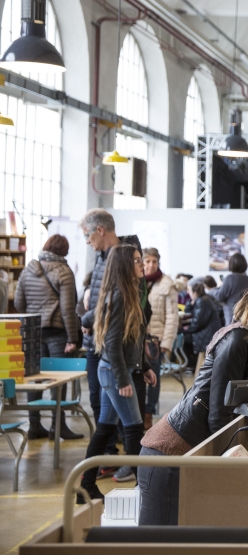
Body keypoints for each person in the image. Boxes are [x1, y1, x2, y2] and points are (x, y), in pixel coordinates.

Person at [139, 270, 248, 525]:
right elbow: (219, 419)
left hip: (198, 454)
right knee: (160, 545)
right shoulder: (238, 339)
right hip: (172, 456)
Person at [78, 245, 156, 501]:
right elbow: (112, 344)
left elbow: (132, 339)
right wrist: (124, 380)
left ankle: (85, 487)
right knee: (134, 430)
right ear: (124, 266)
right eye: (136, 260)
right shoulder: (119, 295)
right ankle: (141, 491)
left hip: (115, 371)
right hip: (113, 373)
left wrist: (143, 366)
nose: (141, 264)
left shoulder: (129, 292)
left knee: (104, 430)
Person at [79, 209, 143, 468]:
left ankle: (89, 480)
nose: (87, 241)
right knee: (126, 425)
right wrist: (88, 321)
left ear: (100, 230)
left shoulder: (121, 261)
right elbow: (102, 305)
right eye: (139, 261)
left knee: (107, 424)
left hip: (113, 357)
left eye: (87, 235)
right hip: (109, 357)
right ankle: (133, 481)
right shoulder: (104, 263)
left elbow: (129, 326)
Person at [14, 234, 83, 440]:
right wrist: (72, 337)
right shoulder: (64, 272)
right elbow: (68, 308)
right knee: (58, 381)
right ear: (63, 251)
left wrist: (32, 324)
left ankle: (34, 426)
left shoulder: (28, 270)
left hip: (33, 334)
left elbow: (19, 303)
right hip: (57, 334)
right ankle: (58, 426)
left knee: (34, 378)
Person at [141, 248, 178, 428]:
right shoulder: (137, 281)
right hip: (138, 339)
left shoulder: (166, 284)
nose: (151, 265)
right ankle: (138, 413)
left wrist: (167, 342)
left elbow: (172, 316)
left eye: (154, 261)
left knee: (153, 379)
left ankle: (148, 413)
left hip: (155, 340)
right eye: (147, 261)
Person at [185, 278, 224, 377]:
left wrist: (187, 330)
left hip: (206, 337)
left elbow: (198, 322)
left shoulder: (202, 301)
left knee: (185, 337)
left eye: (189, 290)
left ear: (194, 291)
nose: (187, 292)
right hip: (208, 334)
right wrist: (191, 302)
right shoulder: (202, 299)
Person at [211, 254, 248, 325]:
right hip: (245, 315)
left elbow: (220, 296)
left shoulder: (229, 278)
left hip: (232, 315)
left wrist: (212, 290)